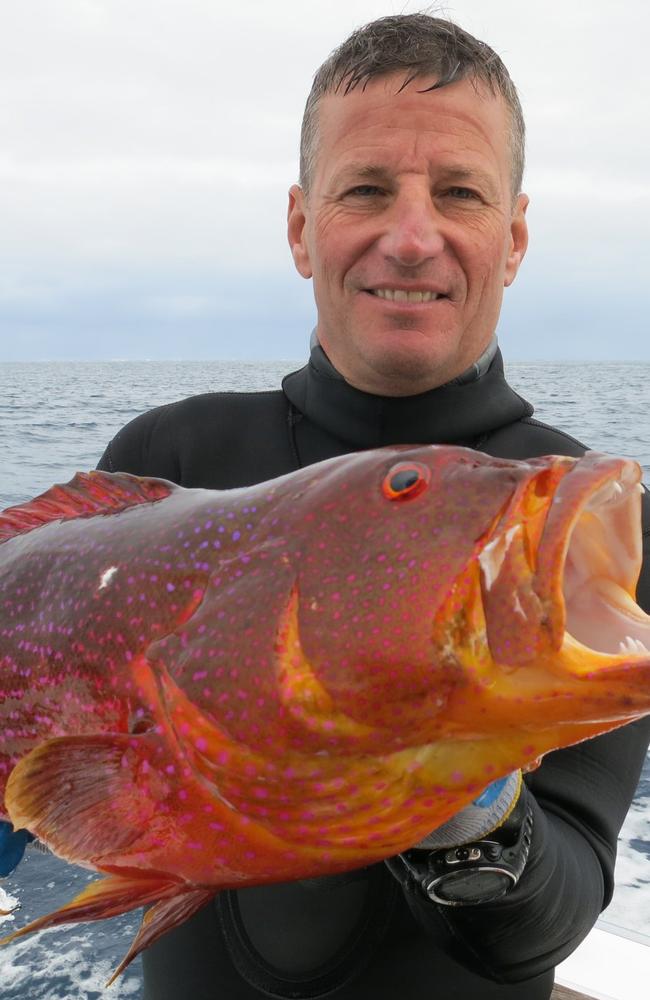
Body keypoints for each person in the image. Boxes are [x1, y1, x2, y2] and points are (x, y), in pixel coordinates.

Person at [96, 14, 650, 1000]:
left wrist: (465, 797)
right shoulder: (164, 465)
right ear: (302, 228)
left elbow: (552, 913)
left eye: (457, 192)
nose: (409, 235)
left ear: (510, 238)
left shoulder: (570, 533)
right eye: (364, 189)